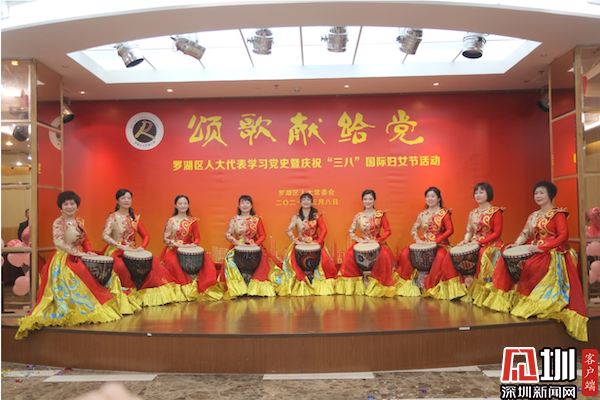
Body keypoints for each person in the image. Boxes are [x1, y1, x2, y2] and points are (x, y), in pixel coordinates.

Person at [483, 181, 588, 341]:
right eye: (536, 193)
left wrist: (543, 248)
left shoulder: (558, 214)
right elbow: (526, 233)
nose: (538, 196)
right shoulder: (534, 215)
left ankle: (538, 299)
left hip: (554, 250)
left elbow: (563, 236)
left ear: (550, 195)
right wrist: (516, 244)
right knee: (505, 257)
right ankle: (509, 299)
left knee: (533, 264)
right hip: (536, 246)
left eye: (541, 193)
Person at [16, 191, 125, 339]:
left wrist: (89, 251)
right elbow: (59, 242)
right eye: (65, 204)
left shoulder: (79, 221)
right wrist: (79, 253)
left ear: (77, 206)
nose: (69, 206)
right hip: (64, 258)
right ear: (60, 207)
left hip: (78, 255)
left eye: (72, 203)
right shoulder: (58, 223)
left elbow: (85, 240)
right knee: (79, 275)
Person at [103, 189, 185, 306]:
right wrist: (121, 246)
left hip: (133, 249)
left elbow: (146, 236)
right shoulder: (112, 217)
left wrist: (142, 247)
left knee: (151, 263)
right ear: (117, 201)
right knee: (120, 266)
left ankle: (145, 294)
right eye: (123, 198)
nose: (126, 200)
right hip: (116, 250)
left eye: (128, 198)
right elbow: (105, 235)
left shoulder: (135, 218)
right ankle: (127, 293)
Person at [435, 182, 505, 303]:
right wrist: (465, 241)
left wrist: (480, 242)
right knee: (451, 253)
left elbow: (497, 233)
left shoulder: (495, 211)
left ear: (488, 193)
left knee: (482, 254)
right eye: (476, 192)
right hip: (474, 242)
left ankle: (480, 292)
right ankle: (457, 290)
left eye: (481, 192)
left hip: (492, 244)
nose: (478, 195)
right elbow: (469, 231)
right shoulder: (473, 213)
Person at [159, 195, 222, 301]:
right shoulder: (171, 221)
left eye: (185, 203)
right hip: (174, 249)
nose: (182, 205)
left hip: (189, 247)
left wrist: (193, 244)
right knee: (173, 262)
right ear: (176, 206)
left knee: (206, 260)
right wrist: (176, 244)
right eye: (180, 203)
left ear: (188, 205)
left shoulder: (192, 221)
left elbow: (197, 238)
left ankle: (202, 286)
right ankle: (183, 288)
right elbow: (165, 239)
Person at [219, 195, 282, 299]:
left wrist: (256, 244)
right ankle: (238, 289)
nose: (245, 205)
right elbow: (228, 235)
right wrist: (238, 243)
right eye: (242, 203)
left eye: (247, 203)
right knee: (230, 260)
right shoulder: (234, 220)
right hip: (238, 246)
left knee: (264, 261)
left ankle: (257, 288)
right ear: (239, 206)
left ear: (251, 205)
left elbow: (263, 235)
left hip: (254, 245)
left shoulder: (257, 219)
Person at [337, 190, 397, 297]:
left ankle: (377, 286)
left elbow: (388, 231)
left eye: (370, 199)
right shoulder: (359, 216)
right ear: (362, 200)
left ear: (374, 200)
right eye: (365, 199)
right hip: (363, 243)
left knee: (384, 255)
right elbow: (351, 231)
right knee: (350, 255)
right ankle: (358, 287)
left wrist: (377, 240)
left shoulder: (380, 215)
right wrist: (359, 240)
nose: (368, 201)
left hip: (377, 243)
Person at [396, 187, 453, 297]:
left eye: (433, 196)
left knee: (440, 256)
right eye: (427, 196)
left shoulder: (444, 213)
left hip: (440, 243)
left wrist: (436, 241)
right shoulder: (422, 214)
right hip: (424, 242)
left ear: (438, 198)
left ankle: (431, 286)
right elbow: (414, 230)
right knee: (405, 253)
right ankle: (408, 284)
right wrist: (418, 240)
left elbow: (450, 230)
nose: (430, 198)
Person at [279, 193, 337, 296]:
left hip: (314, 243)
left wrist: (318, 242)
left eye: (308, 199)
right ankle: (302, 282)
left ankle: (316, 283)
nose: (306, 201)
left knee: (324, 260)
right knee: (294, 261)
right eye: (303, 199)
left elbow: (324, 230)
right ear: (300, 202)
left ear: (311, 202)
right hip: (301, 244)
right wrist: (296, 241)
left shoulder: (317, 216)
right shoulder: (296, 217)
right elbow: (289, 231)